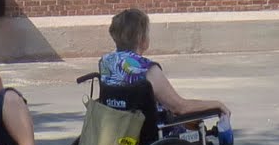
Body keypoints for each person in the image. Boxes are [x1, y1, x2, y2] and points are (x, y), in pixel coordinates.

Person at [99, 7, 230, 125]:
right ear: (140, 37)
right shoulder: (146, 69)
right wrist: (217, 105)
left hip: (116, 132)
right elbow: (179, 108)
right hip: (150, 137)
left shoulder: (106, 61)